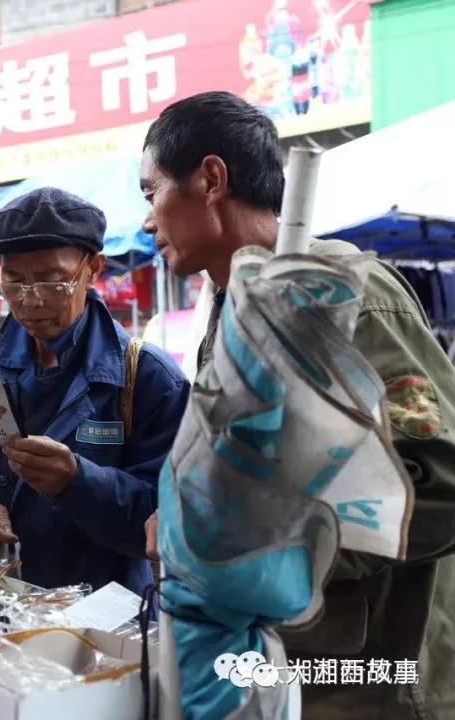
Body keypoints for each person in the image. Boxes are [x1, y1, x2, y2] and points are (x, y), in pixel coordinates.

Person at [140, 91, 455, 718]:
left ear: (210, 179)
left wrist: (265, 553)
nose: (147, 220)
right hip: (290, 669)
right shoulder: (237, 313)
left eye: (151, 193)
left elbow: (444, 485)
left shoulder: (343, 302)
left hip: (379, 684)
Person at [0, 188, 190, 592]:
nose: (31, 300)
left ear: (92, 268)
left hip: (102, 616)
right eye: (13, 282)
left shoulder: (149, 379)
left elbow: (168, 517)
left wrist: (77, 482)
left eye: (52, 281)